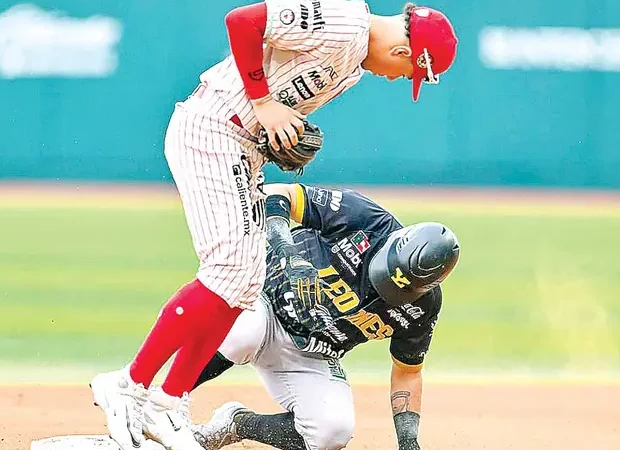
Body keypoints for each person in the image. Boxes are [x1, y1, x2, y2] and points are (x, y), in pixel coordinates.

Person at [89, 2, 459, 450]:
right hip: (213, 131)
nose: (397, 79)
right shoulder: (345, 21)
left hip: (243, 147)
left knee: (243, 283)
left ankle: (168, 402)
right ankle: (130, 385)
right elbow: (243, 21)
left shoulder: (352, 68)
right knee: (228, 272)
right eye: (407, 74)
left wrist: (280, 132)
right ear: (406, 51)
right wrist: (263, 103)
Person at [187, 182, 460, 450]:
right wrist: (290, 256)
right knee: (242, 335)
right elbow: (276, 194)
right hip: (263, 302)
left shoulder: (423, 307)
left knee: (332, 432)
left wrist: (408, 442)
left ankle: (234, 424)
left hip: (313, 352)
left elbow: (407, 373)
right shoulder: (365, 218)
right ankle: (163, 402)